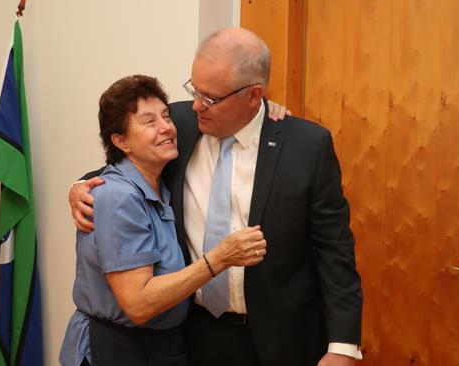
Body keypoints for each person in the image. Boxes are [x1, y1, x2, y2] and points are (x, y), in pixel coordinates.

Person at [71, 28, 363, 366]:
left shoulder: (306, 147)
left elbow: (335, 252)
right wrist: (79, 186)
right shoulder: (178, 123)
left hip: (278, 338)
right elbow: (124, 167)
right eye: (194, 90)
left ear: (253, 96)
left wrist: (342, 347)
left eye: (209, 98)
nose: (196, 105)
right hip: (191, 336)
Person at [59, 75, 268, 366]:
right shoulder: (119, 195)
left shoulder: (163, 183)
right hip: (117, 349)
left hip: (160, 348)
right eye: (148, 122)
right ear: (121, 141)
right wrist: (221, 258)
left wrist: (267, 110)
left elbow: (236, 106)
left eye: (166, 116)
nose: (166, 127)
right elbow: (139, 304)